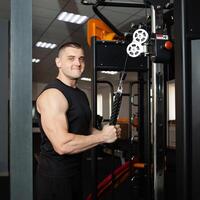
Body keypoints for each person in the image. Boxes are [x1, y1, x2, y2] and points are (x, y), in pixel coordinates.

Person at [35, 42, 121, 200]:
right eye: (71, 58)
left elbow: (85, 129)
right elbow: (62, 145)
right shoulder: (53, 95)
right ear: (58, 62)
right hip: (56, 178)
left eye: (81, 59)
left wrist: (105, 133)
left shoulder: (80, 94)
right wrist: (102, 137)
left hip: (77, 171)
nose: (78, 63)